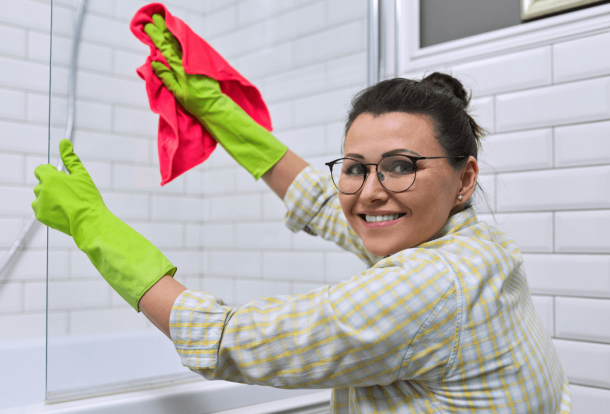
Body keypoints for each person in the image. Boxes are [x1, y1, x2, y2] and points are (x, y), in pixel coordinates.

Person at [31, 15, 571, 414]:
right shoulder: (473, 246)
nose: (370, 193)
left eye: (401, 166)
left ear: (464, 179)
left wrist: (91, 224)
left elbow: (229, 341)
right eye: (355, 168)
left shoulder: (429, 283)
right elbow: (320, 197)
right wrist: (214, 109)